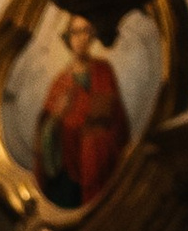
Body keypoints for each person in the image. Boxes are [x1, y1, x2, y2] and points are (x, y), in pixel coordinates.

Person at [34, 15, 129, 214]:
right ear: (68, 38)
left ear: (92, 35)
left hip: (103, 163)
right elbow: (45, 132)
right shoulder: (60, 83)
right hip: (69, 171)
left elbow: (119, 121)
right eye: (75, 32)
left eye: (86, 31)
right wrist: (57, 116)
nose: (81, 38)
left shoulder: (104, 71)